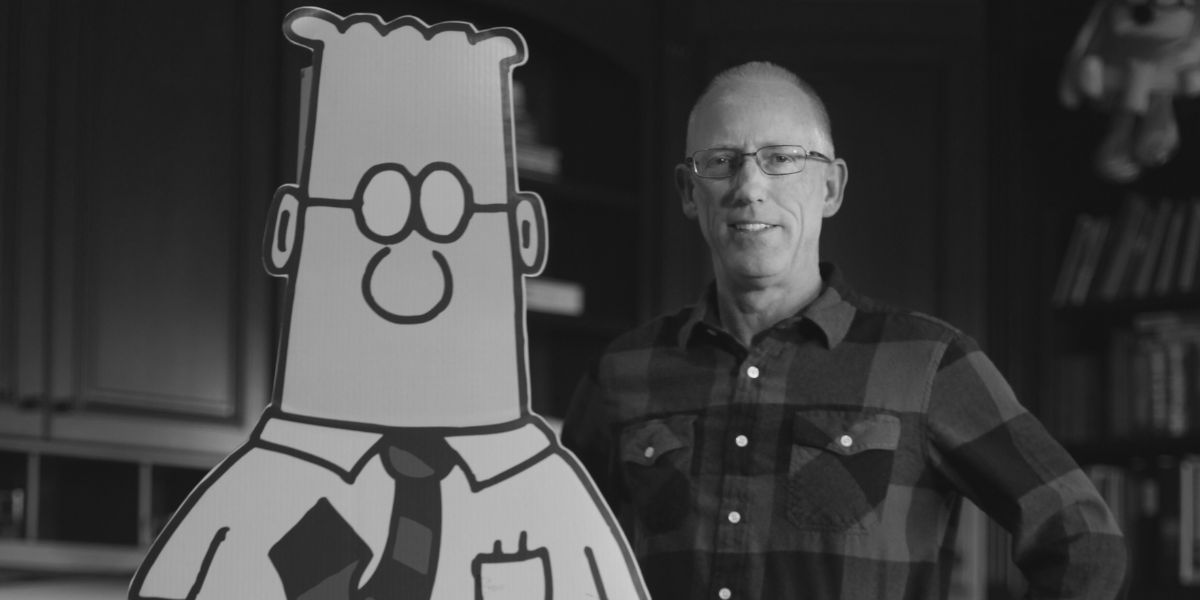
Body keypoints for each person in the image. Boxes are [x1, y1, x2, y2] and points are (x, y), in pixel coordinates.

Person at [562, 61, 1127, 600]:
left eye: (782, 158)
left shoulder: (927, 363)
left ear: (830, 188)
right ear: (690, 192)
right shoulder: (621, 373)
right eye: (721, 161)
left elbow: (1086, 543)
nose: (749, 186)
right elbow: (558, 557)